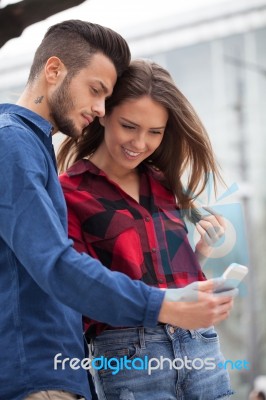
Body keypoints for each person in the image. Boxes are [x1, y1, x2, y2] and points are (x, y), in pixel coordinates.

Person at [0, 20, 235, 400]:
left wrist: (196, 261)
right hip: (61, 369)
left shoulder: (32, 146)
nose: (98, 107)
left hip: (179, 354)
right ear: (54, 70)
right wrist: (166, 304)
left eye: (155, 132)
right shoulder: (14, 143)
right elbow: (60, 267)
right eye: (96, 92)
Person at [58, 59, 237, 399]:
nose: (140, 143)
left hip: (200, 345)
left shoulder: (161, 183)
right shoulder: (69, 192)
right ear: (104, 113)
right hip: (129, 355)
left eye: (155, 132)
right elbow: (81, 288)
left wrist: (201, 251)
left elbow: (169, 276)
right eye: (129, 126)